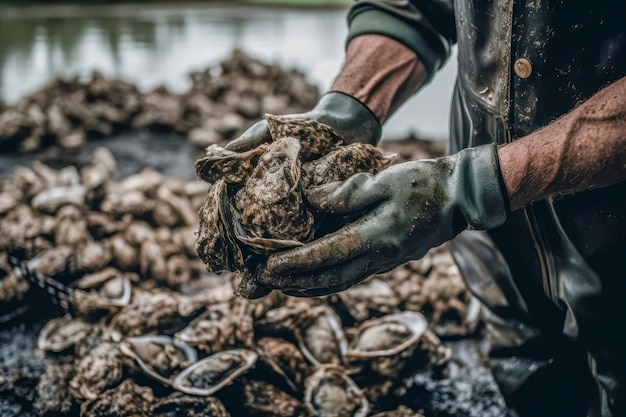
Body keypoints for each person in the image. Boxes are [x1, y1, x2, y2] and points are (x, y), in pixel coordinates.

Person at [227, 1, 626, 416]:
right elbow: (418, 7)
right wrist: (349, 104)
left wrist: (472, 185)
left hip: (613, 240)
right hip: (492, 237)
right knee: (529, 380)